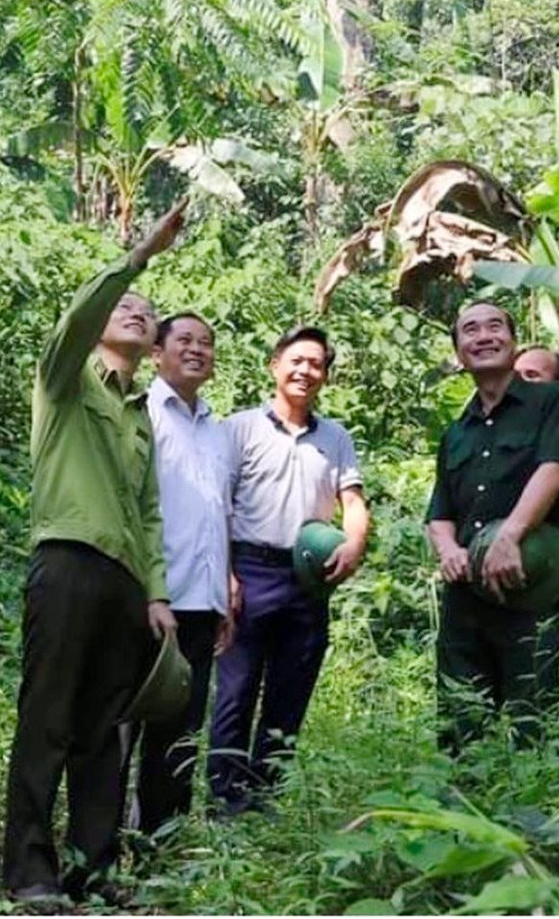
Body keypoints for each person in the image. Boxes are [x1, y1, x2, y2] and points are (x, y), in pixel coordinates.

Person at [3, 197, 187, 910]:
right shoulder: (65, 380)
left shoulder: (141, 416)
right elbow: (81, 317)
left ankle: (93, 868)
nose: (137, 312)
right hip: (68, 562)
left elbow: (148, 513)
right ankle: (31, 872)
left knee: (103, 735)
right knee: (46, 716)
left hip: (124, 582)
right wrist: (138, 255)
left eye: (148, 309)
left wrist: (158, 593)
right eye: (127, 306)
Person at [208, 325, 368, 814]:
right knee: (234, 692)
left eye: (316, 364)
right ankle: (225, 799)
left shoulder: (335, 437)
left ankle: (265, 796)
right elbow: (216, 503)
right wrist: (227, 573)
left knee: (290, 691)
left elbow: (354, 501)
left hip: (307, 578)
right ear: (275, 366)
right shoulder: (238, 428)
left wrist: (355, 543)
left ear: (325, 376)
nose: (305, 371)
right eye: (296, 361)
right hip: (249, 568)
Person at [426, 301, 559, 750]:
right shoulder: (457, 432)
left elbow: (554, 470)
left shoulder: (554, 401)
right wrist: (449, 551)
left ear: (512, 342)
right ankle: (462, 808)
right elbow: (439, 513)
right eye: (470, 331)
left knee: (532, 712)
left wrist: (510, 535)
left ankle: (531, 814)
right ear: (459, 354)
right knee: (461, 716)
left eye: (494, 326)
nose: (483, 336)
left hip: (531, 588)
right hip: (466, 597)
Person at [133, 312, 240, 836]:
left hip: (202, 603)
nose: (197, 349)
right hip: (149, 595)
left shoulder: (218, 433)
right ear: (157, 352)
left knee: (181, 732)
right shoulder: (141, 415)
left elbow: (218, 517)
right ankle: (104, 846)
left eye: (206, 342)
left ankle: (161, 843)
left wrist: (224, 593)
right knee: (125, 724)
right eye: (185, 341)